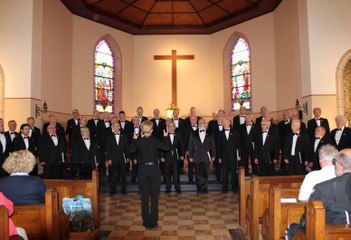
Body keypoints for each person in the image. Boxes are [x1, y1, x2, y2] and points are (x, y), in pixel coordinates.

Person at [129, 120, 169, 229]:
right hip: (154, 170)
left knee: (144, 197)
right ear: (151, 130)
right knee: (154, 197)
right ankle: (153, 221)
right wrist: (165, 137)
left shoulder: (139, 141)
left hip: (142, 170)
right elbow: (166, 148)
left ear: (142, 130)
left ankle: (146, 221)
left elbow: (131, 150)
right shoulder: (155, 141)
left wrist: (134, 139)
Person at [188, 118, 216, 193]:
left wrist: (213, 155)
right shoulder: (193, 133)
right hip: (197, 156)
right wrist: (190, 156)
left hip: (207, 156)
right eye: (199, 123)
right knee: (198, 173)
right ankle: (199, 188)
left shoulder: (210, 133)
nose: (201, 124)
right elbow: (191, 146)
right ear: (198, 124)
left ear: (205, 124)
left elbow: (213, 145)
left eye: (202, 122)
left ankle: (204, 188)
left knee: (206, 173)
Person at [106, 122, 129, 195]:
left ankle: (123, 189)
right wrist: (108, 159)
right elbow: (108, 148)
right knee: (112, 175)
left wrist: (128, 157)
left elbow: (126, 148)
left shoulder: (124, 136)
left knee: (123, 174)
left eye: (117, 126)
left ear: (119, 127)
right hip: (112, 158)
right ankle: (113, 190)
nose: (116, 127)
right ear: (113, 127)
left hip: (122, 158)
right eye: (114, 126)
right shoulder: (109, 136)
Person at [218, 118, 241, 193]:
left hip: (233, 157)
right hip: (224, 157)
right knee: (224, 174)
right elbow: (219, 146)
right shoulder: (220, 133)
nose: (224, 123)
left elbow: (238, 145)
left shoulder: (235, 132)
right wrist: (219, 157)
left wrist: (239, 155)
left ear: (229, 123)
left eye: (225, 122)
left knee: (234, 173)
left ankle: (235, 188)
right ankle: (224, 189)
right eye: (223, 122)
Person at [161, 121, 184, 194]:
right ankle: (168, 188)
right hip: (167, 157)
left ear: (175, 127)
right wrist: (161, 156)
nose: (171, 128)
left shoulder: (179, 135)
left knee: (176, 173)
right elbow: (161, 147)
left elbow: (181, 146)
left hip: (175, 157)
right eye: (169, 126)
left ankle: (177, 188)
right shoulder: (164, 136)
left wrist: (182, 155)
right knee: (167, 174)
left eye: (172, 126)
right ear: (167, 127)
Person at [182, 115, 198, 184]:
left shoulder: (200, 127)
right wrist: (186, 150)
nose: (193, 120)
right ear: (190, 120)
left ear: (196, 120)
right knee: (190, 165)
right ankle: (190, 179)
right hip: (190, 150)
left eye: (194, 119)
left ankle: (198, 179)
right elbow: (184, 140)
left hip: (198, 150)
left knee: (198, 165)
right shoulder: (186, 128)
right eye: (191, 119)